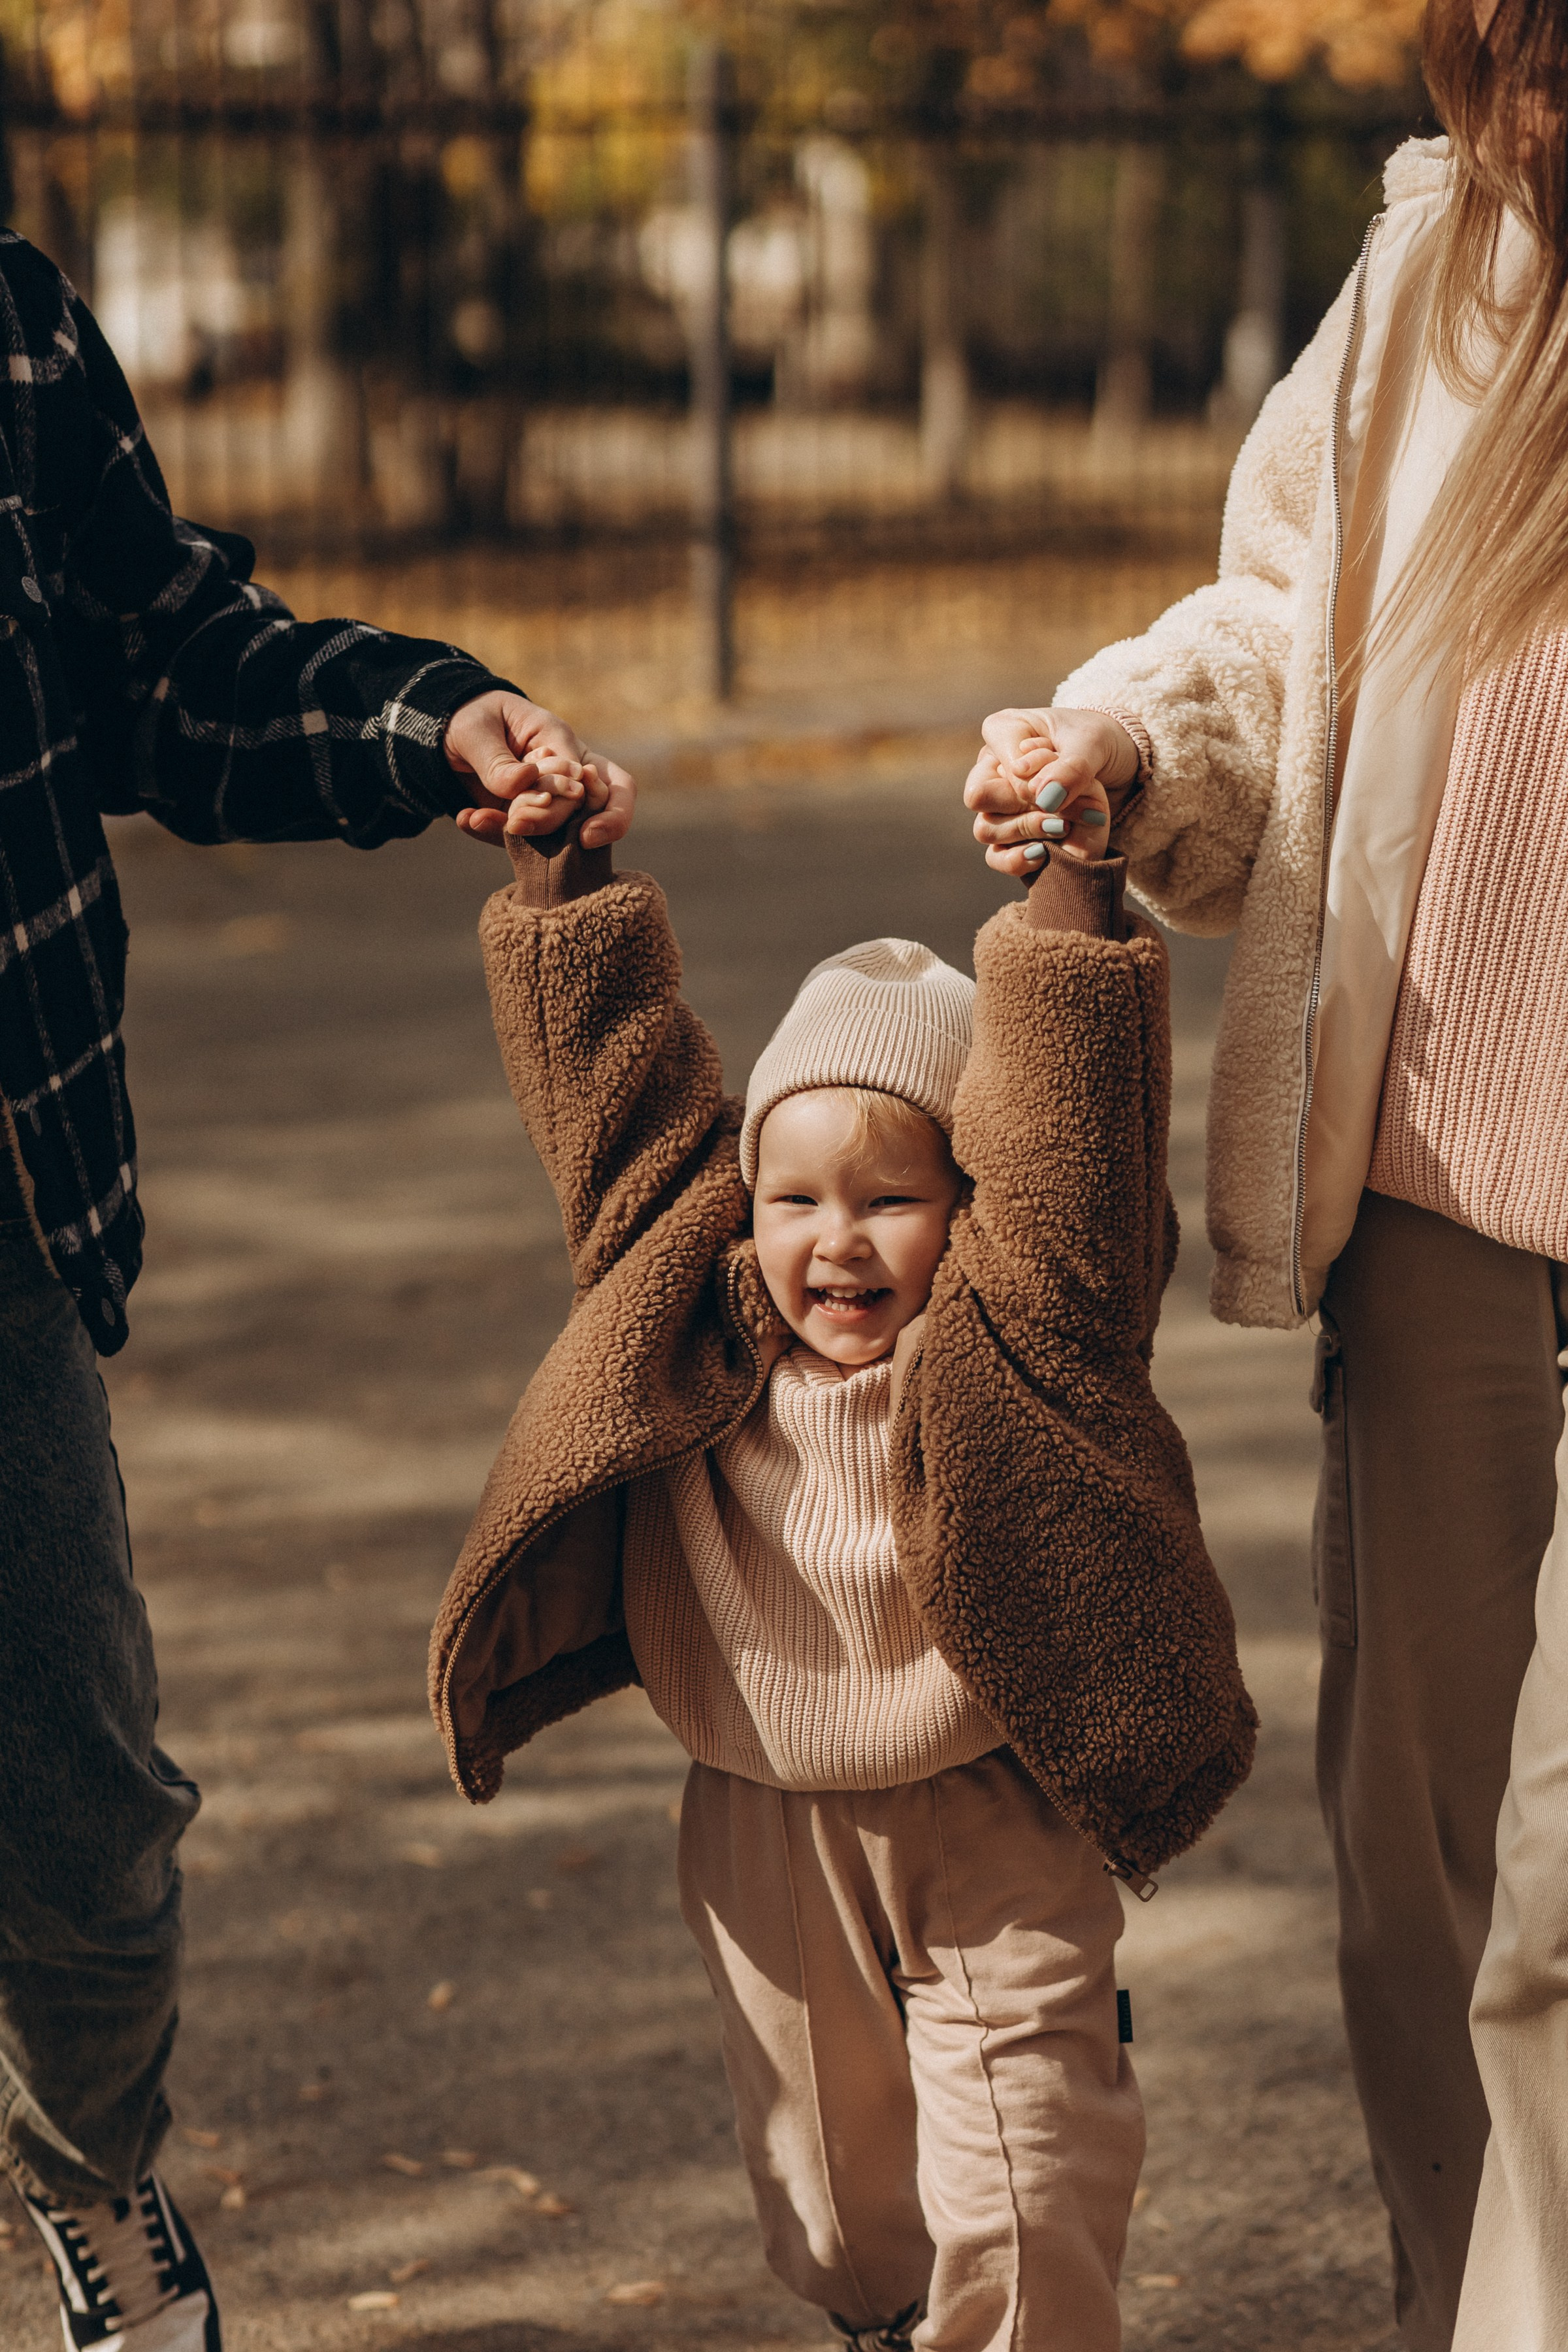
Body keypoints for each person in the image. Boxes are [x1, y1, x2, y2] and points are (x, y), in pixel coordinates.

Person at [964, 7, 1568, 2347]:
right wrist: (1125, 737)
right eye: (1507, 54)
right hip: (1436, 1202)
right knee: (1421, 1878)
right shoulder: (1424, 287)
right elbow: (1276, 628)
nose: (1533, 109)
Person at [0, 226, 632, 2352]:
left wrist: (430, 719)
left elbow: (161, 666)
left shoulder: (11, 336)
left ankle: (95, 2186)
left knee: (80, 1809)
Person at [425, 763, 1256, 2352]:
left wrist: (1072, 893)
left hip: (991, 1805)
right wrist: (568, 885)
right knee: (832, 2186)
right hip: (761, 1815)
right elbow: (612, 1104)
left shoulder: (1027, 1333)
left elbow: (1078, 1137)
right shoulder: (689, 1310)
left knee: (1024, 2161)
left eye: (893, 1197)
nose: (840, 1239)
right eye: (796, 1198)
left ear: (970, 1199)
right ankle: (883, 2328)